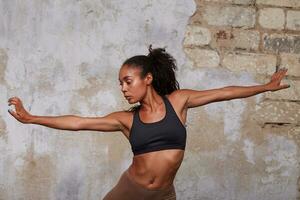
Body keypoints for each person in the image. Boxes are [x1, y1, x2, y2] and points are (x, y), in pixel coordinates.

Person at [7, 45, 290, 200]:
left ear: (148, 79)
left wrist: (265, 87)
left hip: (164, 195)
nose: (123, 88)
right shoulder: (126, 120)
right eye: (120, 84)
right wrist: (32, 118)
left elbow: (223, 92)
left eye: (128, 81)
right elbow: (79, 123)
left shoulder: (178, 102)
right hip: (130, 192)